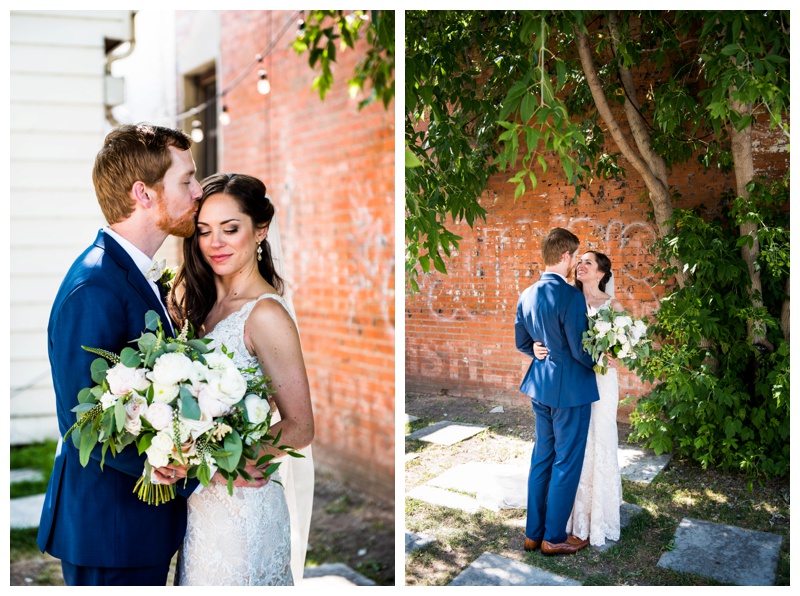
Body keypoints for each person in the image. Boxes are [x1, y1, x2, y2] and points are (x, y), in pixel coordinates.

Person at [37, 123, 205, 585]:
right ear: (143, 194)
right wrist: (178, 459)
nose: (198, 192)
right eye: (186, 180)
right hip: (111, 531)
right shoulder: (95, 285)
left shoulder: (133, 274)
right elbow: (82, 416)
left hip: (138, 526)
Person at [166, 173, 315, 586]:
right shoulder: (199, 305)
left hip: (243, 510)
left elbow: (300, 426)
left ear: (260, 230)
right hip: (198, 509)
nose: (216, 243)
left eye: (230, 229)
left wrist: (211, 462)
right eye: (204, 231)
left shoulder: (266, 314)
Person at [515, 227, 599, 555]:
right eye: (574, 256)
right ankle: (553, 538)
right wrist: (601, 358)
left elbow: (524, 342)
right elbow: (581, 351)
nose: (574, 262)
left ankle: (532, 535)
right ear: (565, 256)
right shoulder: (570, 296)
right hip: (571, 392)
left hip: (540, 387)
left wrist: (537, 348)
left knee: (542, 458)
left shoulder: (527, 294)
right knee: (566, 461)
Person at [533, 251, 623, 547]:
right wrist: (534, 346)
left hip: (601, 380)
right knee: (570, 448)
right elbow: (545, 331)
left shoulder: (613, 306)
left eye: (588, 263)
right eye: (579, 261)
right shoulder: (565, 296)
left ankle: (597, 512)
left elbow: (623, 349)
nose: (580, 266)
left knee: (600, 437)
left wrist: (615, 355)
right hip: (571, 383)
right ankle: (566, 516)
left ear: (601, 273)